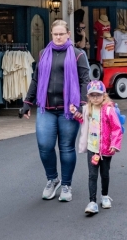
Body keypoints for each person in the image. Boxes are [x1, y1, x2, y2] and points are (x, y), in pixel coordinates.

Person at [21, 20, 90, 202]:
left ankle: (66, 184)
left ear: (68, 34)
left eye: (61, 34)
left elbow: (85, 81)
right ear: (51, 35)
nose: (58, 37)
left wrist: (83, 104)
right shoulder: (44, 54)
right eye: (55, 34)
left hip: (70, 109)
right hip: (47, 108)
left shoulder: (77, 55)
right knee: (44, 146)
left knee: (66, 148)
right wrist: (27, 102)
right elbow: (36, 79)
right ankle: (53, 179)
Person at [77, 80, 124, 215]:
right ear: (88, 97)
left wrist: (115, 145)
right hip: (93, 149)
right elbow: (83, 121)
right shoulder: (87, 109)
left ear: (104, 95)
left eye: (98, 95)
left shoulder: (109, 110)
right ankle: (92, 201)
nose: (95, 98)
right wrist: (76, 114)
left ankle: (104, 196)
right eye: (92, 95)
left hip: (106, 150)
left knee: (104, 174)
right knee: (92, 175)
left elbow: (116, 128)